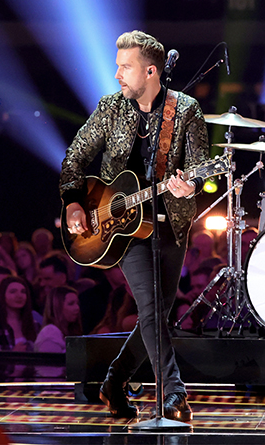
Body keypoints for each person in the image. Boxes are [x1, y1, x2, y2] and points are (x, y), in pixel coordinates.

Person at [60, 30, 208, 422]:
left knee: (154, 314)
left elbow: (201, 168)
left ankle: (114, 381)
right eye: (117, 67)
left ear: (151, 71)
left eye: (125, 68)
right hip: (120, 228)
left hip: (170, 225)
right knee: (150, 307)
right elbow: (75, 157)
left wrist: (190, 184)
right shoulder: (111, 108)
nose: (118, 75)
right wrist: (74, 201)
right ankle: (175, 394)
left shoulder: (186, 110)